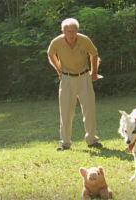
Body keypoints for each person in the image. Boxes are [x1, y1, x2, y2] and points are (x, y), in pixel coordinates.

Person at [47, 18, 102, 150]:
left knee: (89, 109)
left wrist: (94, 72)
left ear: (77, 31)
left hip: (84, 76)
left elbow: (93, 54)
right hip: (66, 79)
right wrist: (59, 70)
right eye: (68, 32)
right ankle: (65, 142)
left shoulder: (84, 40)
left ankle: (92, 140)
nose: (71, 34)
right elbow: (50, 54)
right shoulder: (57, 42)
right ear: (63, 31)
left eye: (73, 31)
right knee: (66, 111)